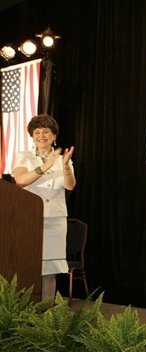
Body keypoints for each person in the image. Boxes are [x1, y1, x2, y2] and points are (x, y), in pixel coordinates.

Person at [12, 114, 76, 300]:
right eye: (37, 132)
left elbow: (70, 185)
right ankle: (22, 312)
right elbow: (20, 181)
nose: (41, 135)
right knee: (26, 267)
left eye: (46, 131)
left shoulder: (63, 159)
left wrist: (65, 167)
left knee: (50, 270)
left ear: (54, 136)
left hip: (55, 220)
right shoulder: (24, 156)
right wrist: (46, 165)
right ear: (32, 136)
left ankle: (45, 316)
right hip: (28, 219)